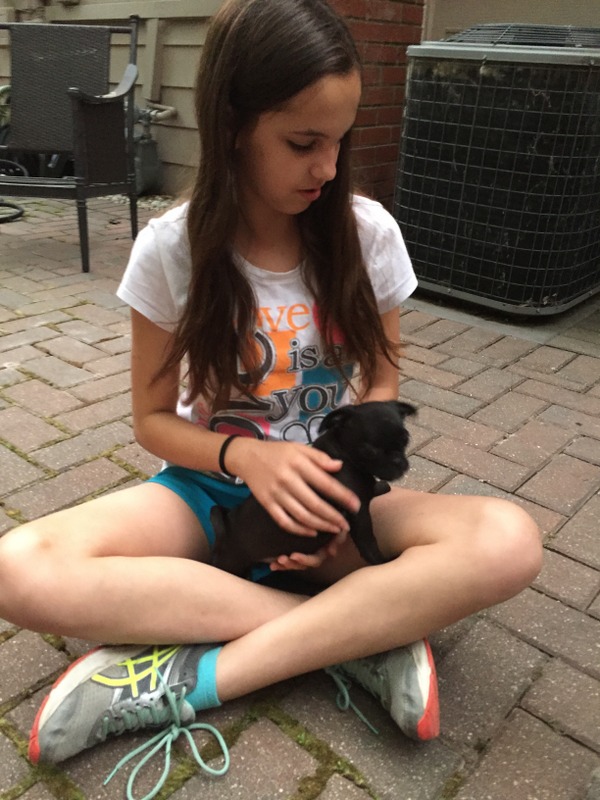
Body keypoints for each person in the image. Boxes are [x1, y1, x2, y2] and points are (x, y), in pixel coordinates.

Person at [0, 0, 542, 792]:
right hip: (209, 494)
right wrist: (246, 461)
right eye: (302, 143)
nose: (327, 167)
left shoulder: (367, 234)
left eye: (339, 141)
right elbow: (151, 421)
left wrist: (342, 491)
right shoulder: (172, 249)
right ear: (232, 125)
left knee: (509, 541)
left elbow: (381, 383)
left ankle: (199, 677)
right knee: (19, 569)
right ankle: (358, 637)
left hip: (332, 497)